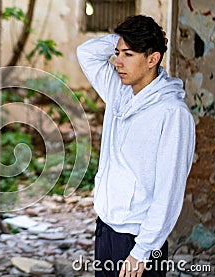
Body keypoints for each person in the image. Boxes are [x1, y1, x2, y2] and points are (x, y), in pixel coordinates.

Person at [76, 15, 195, 277]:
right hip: (106, 228)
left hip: (137, 240)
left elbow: (169, 190)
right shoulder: (119, 91)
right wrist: (122, 39)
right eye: (117, 53)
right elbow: (86, 53)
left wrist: (142, 251)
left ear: (153, 59)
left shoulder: (172, 113)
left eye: (128, 54)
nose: (118, 62)